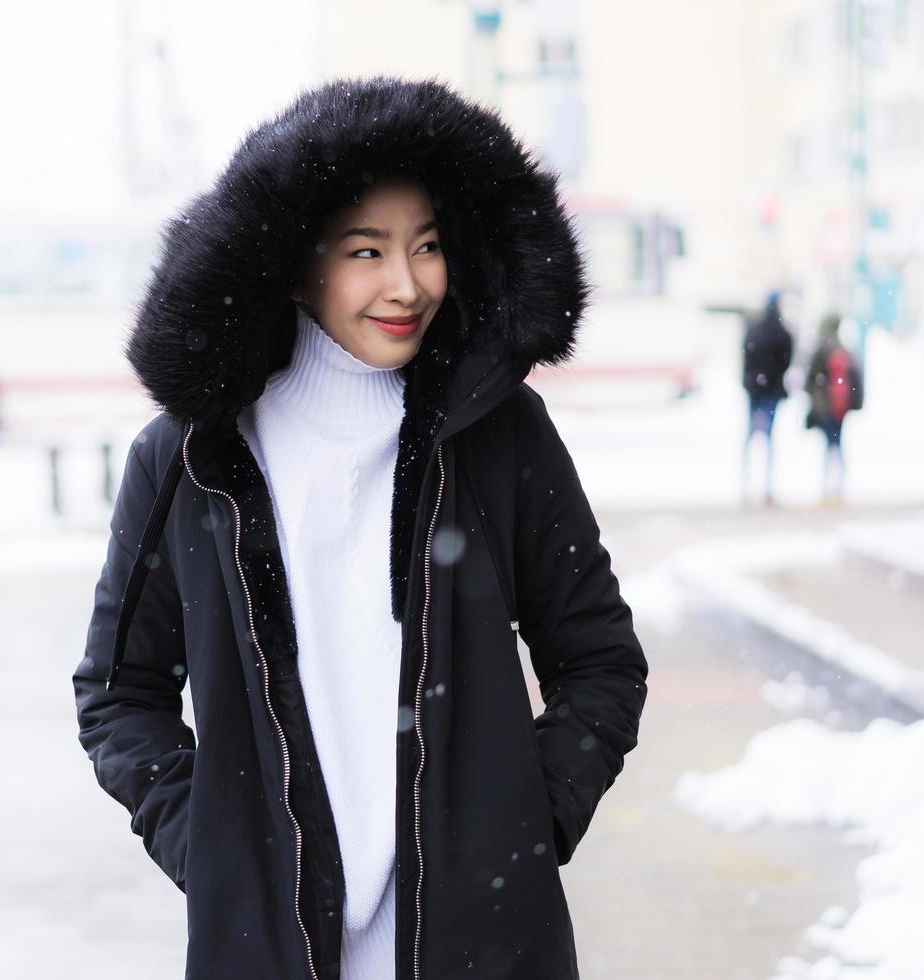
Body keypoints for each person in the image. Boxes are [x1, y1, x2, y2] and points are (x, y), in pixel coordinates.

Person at [73, 77, 648, 980]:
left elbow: (601, 661)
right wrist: (217, 851)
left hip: (488, 952)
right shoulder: (192, 456)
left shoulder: (495, 433)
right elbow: (118, 692)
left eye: (425, 245)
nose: (406, 284)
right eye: (364, 250)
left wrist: (525, 823)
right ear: (294, 259)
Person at [740, 290, 794, 505]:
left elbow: (746, 357)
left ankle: (745, 484)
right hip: (771, 390)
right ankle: (767, 486)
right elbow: (786, 360)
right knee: (769, 440)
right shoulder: (782, 332)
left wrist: (751, 380)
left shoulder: (754, 330)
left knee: (750, 437)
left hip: (755, 390)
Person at [804, 313, 863, 504]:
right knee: (838, 444)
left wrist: (816, 400)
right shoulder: (843, 350)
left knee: (829, 446)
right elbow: (855, 378)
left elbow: (811, 380)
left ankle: (827, 485)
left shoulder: (821, 351)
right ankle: (838, 485)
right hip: (840, 406)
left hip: (826, 406)